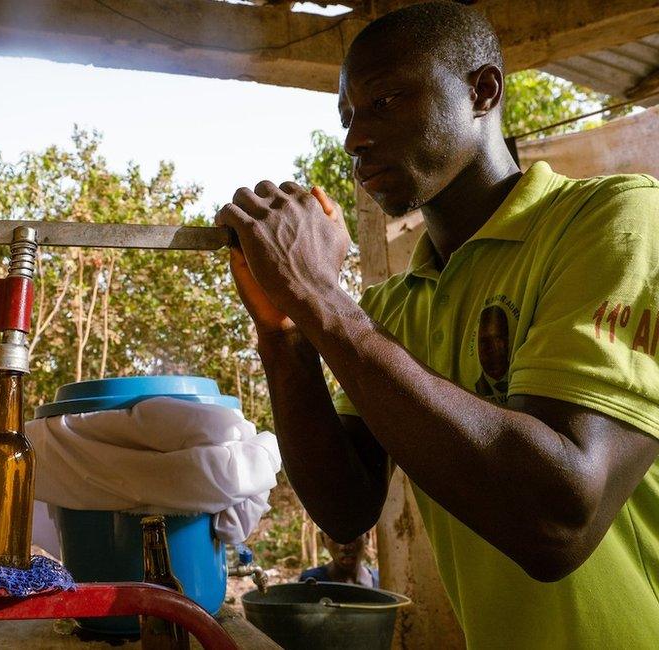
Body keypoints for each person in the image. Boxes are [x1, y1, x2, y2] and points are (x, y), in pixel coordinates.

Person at [214, 2, 659, 648]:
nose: (354, 139)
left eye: (385, 101)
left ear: (481, 92)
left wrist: (319, 295)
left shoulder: (615, 221)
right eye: (347, 117)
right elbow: (346, 506)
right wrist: (284, 335)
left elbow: (560, 519)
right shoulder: (396, 307)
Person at [298, 531, 378, 588]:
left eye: (354, 536)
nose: (345, 547)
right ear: (323, 540)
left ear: (367, 537)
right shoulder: (312, 582)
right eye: (335, 538)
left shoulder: (382, 581)